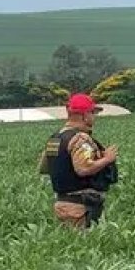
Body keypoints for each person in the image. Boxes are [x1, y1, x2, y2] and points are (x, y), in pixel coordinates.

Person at [38, 93, 119, 229]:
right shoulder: (80, 139)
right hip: (81, 207)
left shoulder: (55, 139)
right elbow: (83, 169)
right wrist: (107, 159)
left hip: (62, 204)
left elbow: (44, 168)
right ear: (84, 115)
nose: (94, 117)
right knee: (86, 245)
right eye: (93, 113)